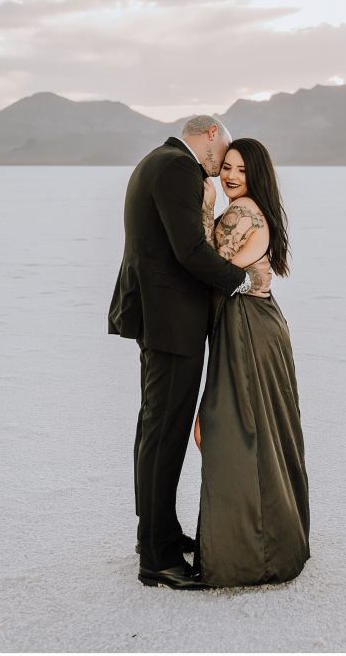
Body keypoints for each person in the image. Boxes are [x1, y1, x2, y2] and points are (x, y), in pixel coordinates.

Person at [107, 115, 269, 590]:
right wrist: (242, 279)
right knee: (165, 434)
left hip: (160, 317)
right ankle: (157, 558)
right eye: (222, 157)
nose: (221, 171)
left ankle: (159, 534)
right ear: (210, 136)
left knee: (155, 429)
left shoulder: (156, 161)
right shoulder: (178, 166)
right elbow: (189, 250)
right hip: (171, 320)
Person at [192, 138, 309, 587]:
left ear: (256, 173)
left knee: (237, 434)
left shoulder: (243, 213)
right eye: (226, 167)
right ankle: (273, 545)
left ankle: (250, 557)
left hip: (248, 329)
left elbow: (206, 263)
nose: (230, 176)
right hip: (257, 322)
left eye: (240, 169)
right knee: (263, 431)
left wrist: (204, 204)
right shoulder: (254, 209)